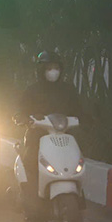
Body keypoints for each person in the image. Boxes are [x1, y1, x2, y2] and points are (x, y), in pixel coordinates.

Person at [16, 51, 86, 205]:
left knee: (77, 157)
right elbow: (21, 110)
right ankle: (30, 195)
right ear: (42, 70)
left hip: (64, 133)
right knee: (31, 159)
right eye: (49, 68)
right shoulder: (32, 90)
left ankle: (79, 193)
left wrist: (86, 119)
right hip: (37, 134)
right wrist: (26, 118)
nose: (53, 72)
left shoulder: (68, 90)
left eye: (56, 68)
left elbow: (79, 110)